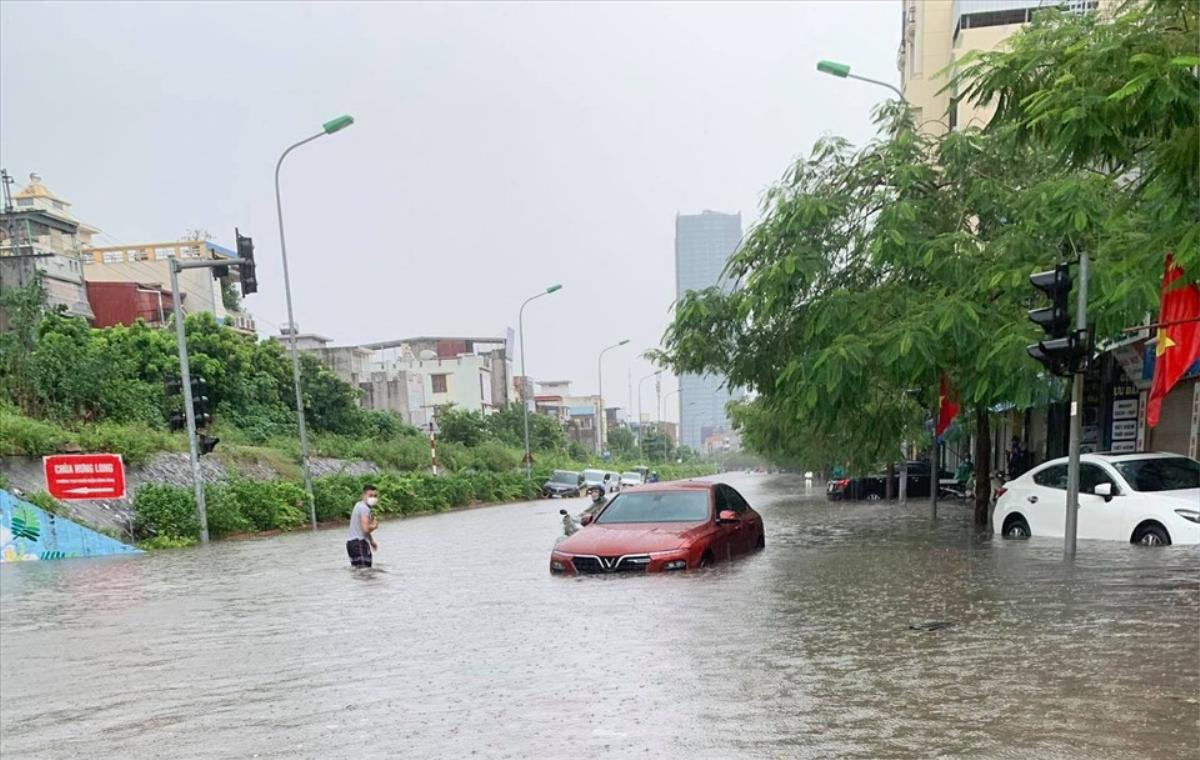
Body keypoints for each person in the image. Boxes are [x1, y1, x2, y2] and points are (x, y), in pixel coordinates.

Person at [346, 485, 379, 567]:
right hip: (359, 544)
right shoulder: (364, 508)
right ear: (364, 495)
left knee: (360, 573)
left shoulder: (358, 505)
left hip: (352, 544)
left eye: (375, 496)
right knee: (365, 572)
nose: (373, 498)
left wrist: (371, 541)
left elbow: (362, 528)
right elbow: (365, 529)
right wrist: (374, 526)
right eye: (370, 495)